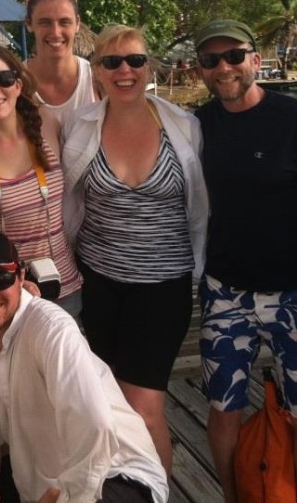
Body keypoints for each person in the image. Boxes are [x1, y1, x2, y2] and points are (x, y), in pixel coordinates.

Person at [193, 19, 297, 503]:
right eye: (210, 60)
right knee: (223, 409)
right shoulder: (197, 126)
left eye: (235, 56)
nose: (224, 68)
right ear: (200, 70)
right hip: (224, 294)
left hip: (296, 298)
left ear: (256, 61)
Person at [61, 24, 208, 475]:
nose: (125, 70)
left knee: (144, 407)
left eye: (135, 61)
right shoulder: (79, 125)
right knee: (108, 405)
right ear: (97, 73)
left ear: (149, 68)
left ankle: (155, 489)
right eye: (112, 62)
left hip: (162, 290)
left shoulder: (184, 125)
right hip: (101, 285)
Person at [0, 228, 169, 503]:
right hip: (44, 488)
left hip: (113, 475)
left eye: (1, 278)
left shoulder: (51, 328)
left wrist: (68, 498)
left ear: (20, 278)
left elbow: (93, 426)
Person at [0, 43, 83, 318]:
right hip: (1, 296)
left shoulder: (46, 124)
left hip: (62, 288)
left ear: (17, 84)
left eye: (3, 78)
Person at [24, 0, 98, 122]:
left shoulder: (96, 79)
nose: (56, 32)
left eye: (64, 22)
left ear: (77, 24)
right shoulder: (12, 84)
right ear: (29, 24)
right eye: (45, 22)